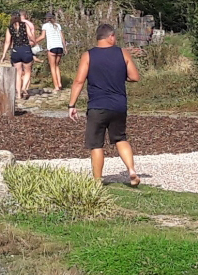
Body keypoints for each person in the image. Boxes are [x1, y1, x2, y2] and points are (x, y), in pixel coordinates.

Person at [68, 23, 141, 187]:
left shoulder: (88, 55)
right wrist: (120, 76)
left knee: (96, 144)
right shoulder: (122, 53)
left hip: (97, 106)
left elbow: (79, 81)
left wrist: (71, 105)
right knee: (120, 138)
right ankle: (131, 171)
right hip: (119, 105)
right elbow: (135, 77)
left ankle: (97, 180)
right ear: (110, 37)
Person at [0, 12, 34, 100]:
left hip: (15, 51)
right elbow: (30, 36)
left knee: (18, 73)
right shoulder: (24, 25)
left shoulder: (10, 28)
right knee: (27, 71)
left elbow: (7, 42)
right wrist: (35, 41)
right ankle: (24, 88)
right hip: (25, 49)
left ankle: (18, 94)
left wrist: (3, 55)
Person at [38, 12, 66, 92]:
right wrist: (65, 47)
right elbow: (62, 37)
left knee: (52, 67)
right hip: (60, 47)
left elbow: (42, 37)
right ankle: (60, 83)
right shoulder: (58, 25)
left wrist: (35, 41)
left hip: (52, 47)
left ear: (46, 19)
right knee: (57, 66)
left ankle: (56, 86)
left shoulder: (45, 26)